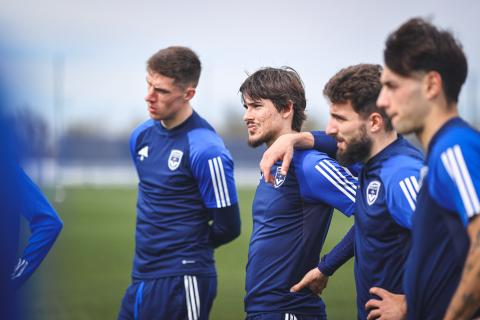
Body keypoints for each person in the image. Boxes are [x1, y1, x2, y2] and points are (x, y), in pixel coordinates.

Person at [260, 64, 424, 320]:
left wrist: (408, 304)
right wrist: (293, 139)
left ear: (374, 122)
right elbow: (371, 225)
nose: (330, 128)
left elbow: (462, 246)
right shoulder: (370, 162)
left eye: (341, 119)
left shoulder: (401, 174)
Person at [118, 46, 241, 320]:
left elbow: (229, 226)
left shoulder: (207, 150)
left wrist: (186, 247)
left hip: (183, 280)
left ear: (188, 94)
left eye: (161, 90)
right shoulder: (140, 136)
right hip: (141, 277)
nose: (149, 96)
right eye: (148, 84)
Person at [371, 18, 480, 320]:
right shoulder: (438, 155)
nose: (382, 100)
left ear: (431, 84)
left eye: (392, 85)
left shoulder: (455, 148)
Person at [240, 67, 357, 320]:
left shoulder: (310, 164)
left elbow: (378, 210)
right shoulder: (273, 162)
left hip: (290, 310)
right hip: (264, 311)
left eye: (256, 106)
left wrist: (328, 265)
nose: (247, 116)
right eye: (246, 107)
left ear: (286, 109)